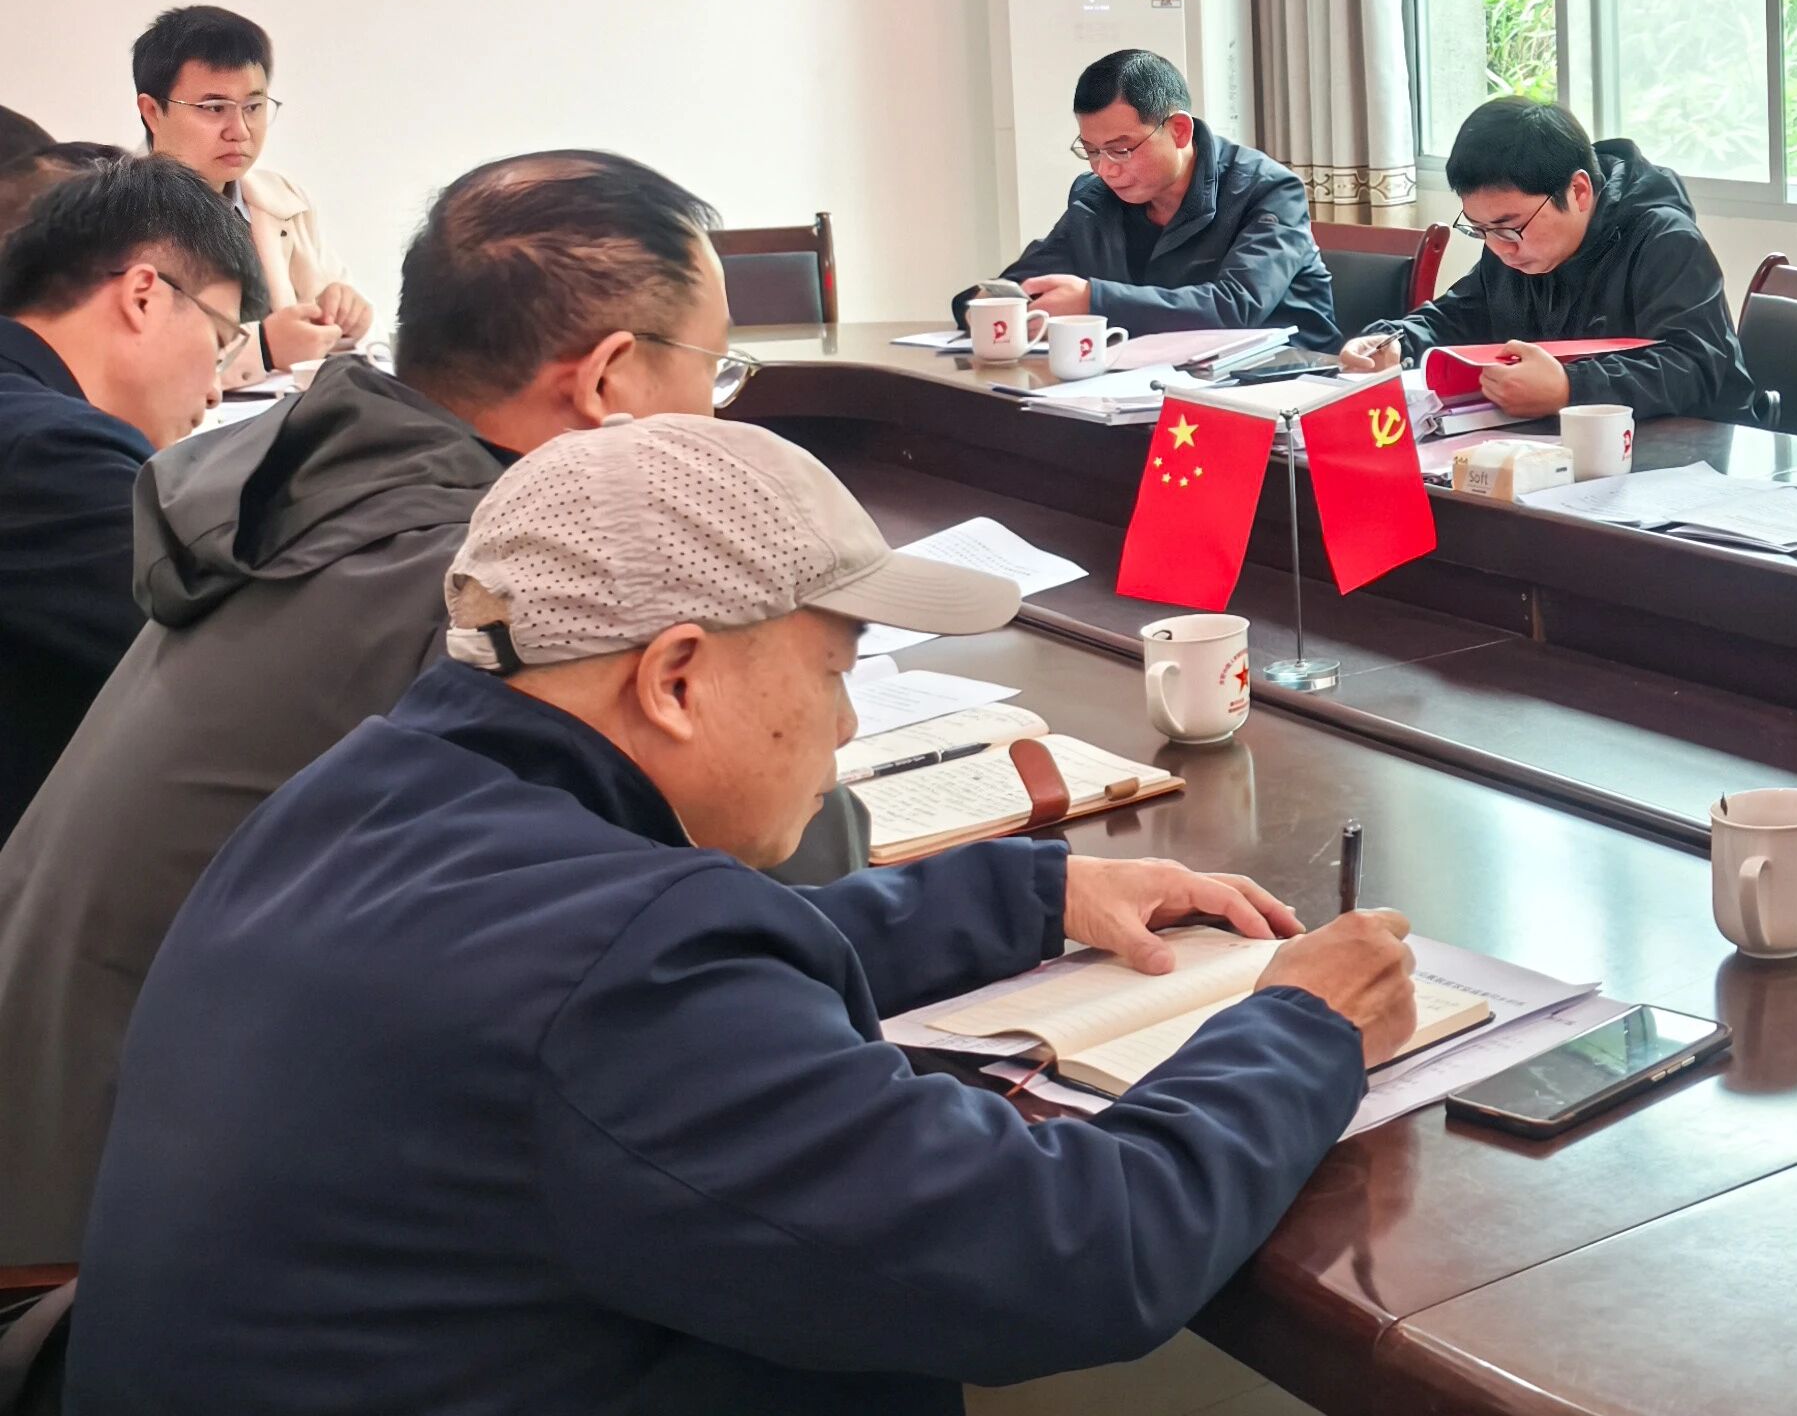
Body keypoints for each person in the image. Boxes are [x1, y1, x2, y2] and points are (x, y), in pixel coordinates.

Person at [67, 415, 1420, 1414]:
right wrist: (1299, 1029)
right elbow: (1074, 1256)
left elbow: (642, 979)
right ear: (674, 678)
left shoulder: (361, 797)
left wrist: (1029, 890)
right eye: (833, 670)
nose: (846, 724)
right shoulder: (617, 979)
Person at [0, 149, 808, 1267]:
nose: (715, 412)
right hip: (113, 1234)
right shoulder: (482, 589)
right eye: (715, 370)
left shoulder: (326, 489)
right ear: (609, 380)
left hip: (68, 1121)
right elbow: (703, 912)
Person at [0, 158, 256, 841]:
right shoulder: (52, 452)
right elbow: (219, 676)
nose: (215, 390)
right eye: (221, 342)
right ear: (145, 294)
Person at [1339, 95, 1753, 423]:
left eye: (1509, 226)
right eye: (1481, 229)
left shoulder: (1662, 239)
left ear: (1579, 191)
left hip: (1696, 458)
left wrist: (1571, 388)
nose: (1499, 246)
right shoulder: (1510, 246)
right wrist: (1394, 342)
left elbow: (1697, 366)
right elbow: (1456, 317)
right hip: (1571, 455)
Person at [967, 48, 1335, 345]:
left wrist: (1093, 300)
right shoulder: (1096, 198)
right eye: (1092, 151)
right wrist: (985, 305)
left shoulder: (1269, 190)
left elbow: (1235, 306)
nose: (1105, 169)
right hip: (1153, 383)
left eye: (1121, 150)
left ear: (1179, 131)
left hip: (1286, 382)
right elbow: (1026, 281)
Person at [131, 4, 370, 381]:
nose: (240, 130)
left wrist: (345, 314)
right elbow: (132, 364)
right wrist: (263, 349)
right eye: (214, 108)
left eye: (254, 106)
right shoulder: (118, 214)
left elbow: (334, 311)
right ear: (152, 112)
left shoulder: (283, 199)